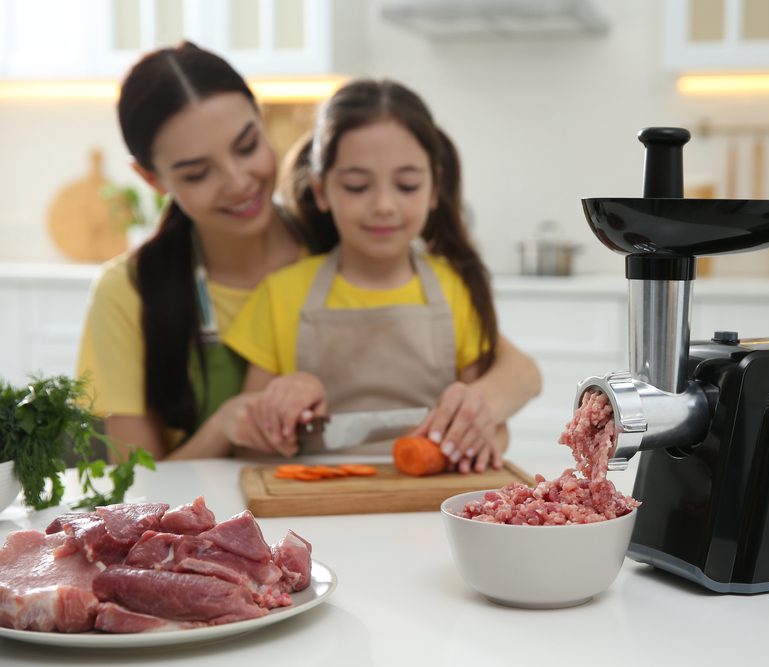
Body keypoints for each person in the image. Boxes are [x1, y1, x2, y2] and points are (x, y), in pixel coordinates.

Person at [76, 44, 540, 463]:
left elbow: (517, 372)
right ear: (153, 180)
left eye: (248, 145)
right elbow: (138, 490)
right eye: (198, 173)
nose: (238, 181)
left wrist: (479, 419)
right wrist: (228, 422)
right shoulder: (129, 291)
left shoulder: (348, 241)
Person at [224, 79, 541, 473]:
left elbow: (483, 421)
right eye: (357, 186)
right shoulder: (281, 294)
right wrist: (274, 412)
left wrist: (484, 432)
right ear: (321, 191)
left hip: (427, 509)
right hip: (310, 507)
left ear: (433, 189)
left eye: (407, 185)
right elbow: (248, 451)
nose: (384, 206)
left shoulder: (454, 289)